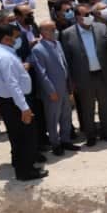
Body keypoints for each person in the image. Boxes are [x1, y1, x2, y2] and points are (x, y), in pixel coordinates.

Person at [61, 5, 107, 147]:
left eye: (90, 13)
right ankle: (91, 136)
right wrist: (71, 80)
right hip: (83, 77)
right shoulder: (67, 34)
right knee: (87, 108)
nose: (89, 17)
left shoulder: (101, 28)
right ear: (77, 17)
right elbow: (67, 59)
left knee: (105, 106)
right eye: (86, 15)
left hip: (103, 74)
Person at [0, 23, 45, 180]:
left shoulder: (0, 52)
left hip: (10, 101)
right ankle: (26, 171)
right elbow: (12, 84)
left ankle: (20, 164)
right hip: (16, 102)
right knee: (25, 137)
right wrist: (24, 108)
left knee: (17, 136)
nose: (18, 40)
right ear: (7, 38)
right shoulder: (4, 57)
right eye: (16, 37)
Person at [31, 19, 81, 157]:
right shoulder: (38, 49)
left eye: (55, 29)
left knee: (66, 115)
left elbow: (64, 65)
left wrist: (69, 84)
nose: (55, 32)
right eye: (51, 29)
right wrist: (51, 91)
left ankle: (65, 140)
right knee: (53, 118)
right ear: (42, 32)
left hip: (64, 87)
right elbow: (42, 74)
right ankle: (55, 143)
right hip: (52, 91)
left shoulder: (57, 44)